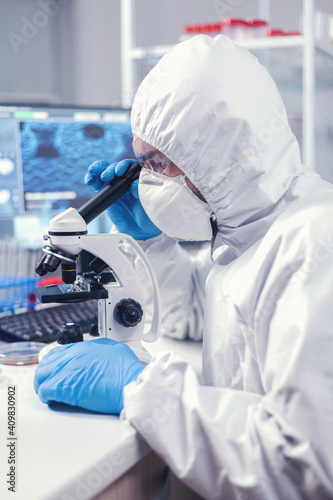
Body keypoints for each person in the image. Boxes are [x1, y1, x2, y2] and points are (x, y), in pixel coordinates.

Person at [34, 35, 333, 499]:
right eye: (141, 164)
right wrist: (150, 244)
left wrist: (141, 389)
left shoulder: (315, 243)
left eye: (157, 163)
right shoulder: (252, 229)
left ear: (216, 155)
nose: (147, 180)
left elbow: (305, 466)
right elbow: (203, 317)